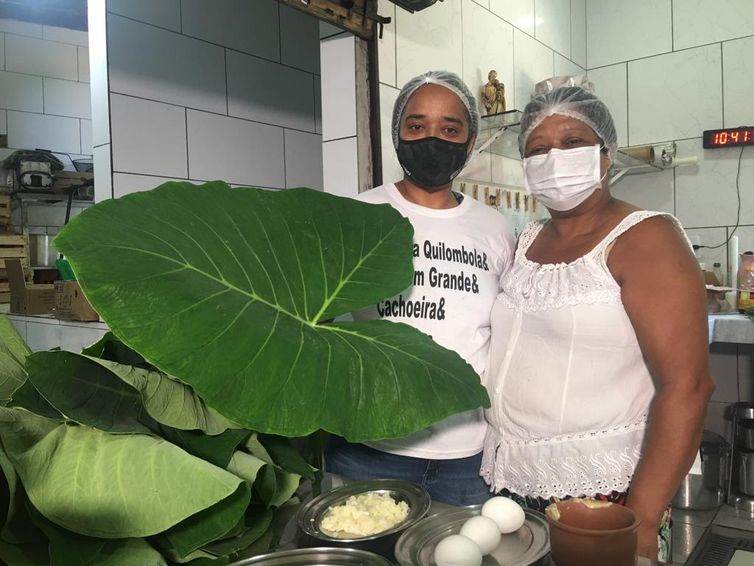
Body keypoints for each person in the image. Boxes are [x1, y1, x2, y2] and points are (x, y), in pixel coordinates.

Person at [480, 78, 714, 561]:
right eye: (537, 149)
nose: (553, 160)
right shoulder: (526, 242)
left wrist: (643, 519)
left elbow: (687, 387)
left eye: (571, 144)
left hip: (606, 496)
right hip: (512, 486)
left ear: (605, 155)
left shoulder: (645, 239)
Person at [326, 71, 515, 506]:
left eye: (450, 129)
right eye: (417, 126)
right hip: (370, 447)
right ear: (398, 136)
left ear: (469, 143)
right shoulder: (356, 215)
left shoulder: (494, 228)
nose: (433, 139)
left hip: (468, 454)